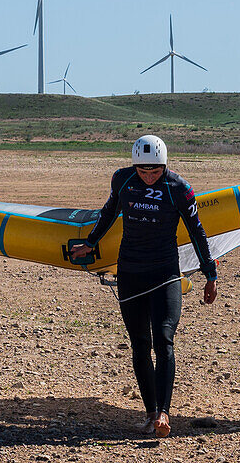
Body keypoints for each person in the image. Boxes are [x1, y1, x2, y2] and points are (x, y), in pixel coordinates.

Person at [70, 135, 217, 438]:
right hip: (131, 273)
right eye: (143, 171)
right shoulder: (123, 180)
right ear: (134, 166)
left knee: (164, 337)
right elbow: (109, 212)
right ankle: (150, 413)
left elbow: (197, 232)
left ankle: (164, 412)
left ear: (165, 165)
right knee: (140, 345)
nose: (149, 178)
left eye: (155, 171)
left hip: (165, 273)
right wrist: (91, 243)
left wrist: (210, 274)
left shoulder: (179, 189)